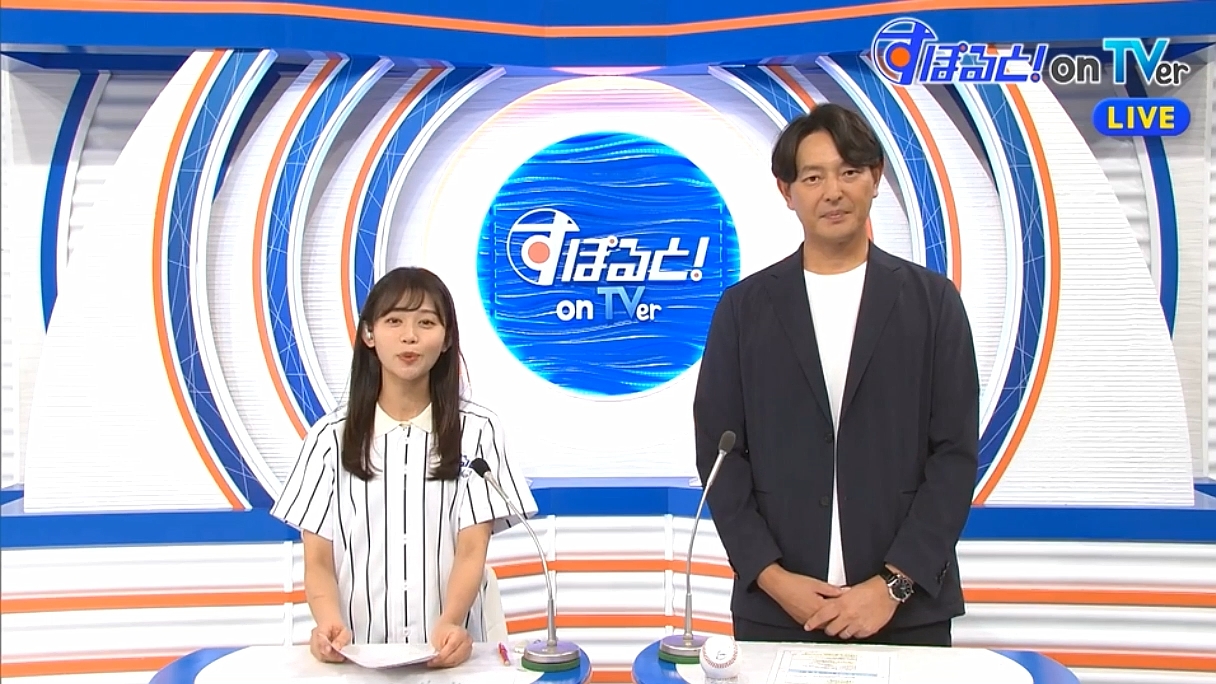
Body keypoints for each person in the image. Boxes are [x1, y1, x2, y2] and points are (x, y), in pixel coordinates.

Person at [692, 104, 979, 647]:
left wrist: (893, 585)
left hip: (905, 611)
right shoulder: (744, 308)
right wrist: (772, 578)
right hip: (779, 611)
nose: (833, 192)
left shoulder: (933, 302)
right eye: (813, 177)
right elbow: (719, 455)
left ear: (876, 178)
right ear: (787, 191)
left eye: (849, 171)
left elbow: (955, 454)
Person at [271, 266, 537, 666]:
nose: (409, 336)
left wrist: (451, 622)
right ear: (369, 333)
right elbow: (318, 559)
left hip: (452, 657)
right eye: (394, 321)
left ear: (447, 338)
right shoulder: (329, 439)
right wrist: (328, 623)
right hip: (358, 658)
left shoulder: (479, 431)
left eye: (426, 322)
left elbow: (471, 550)